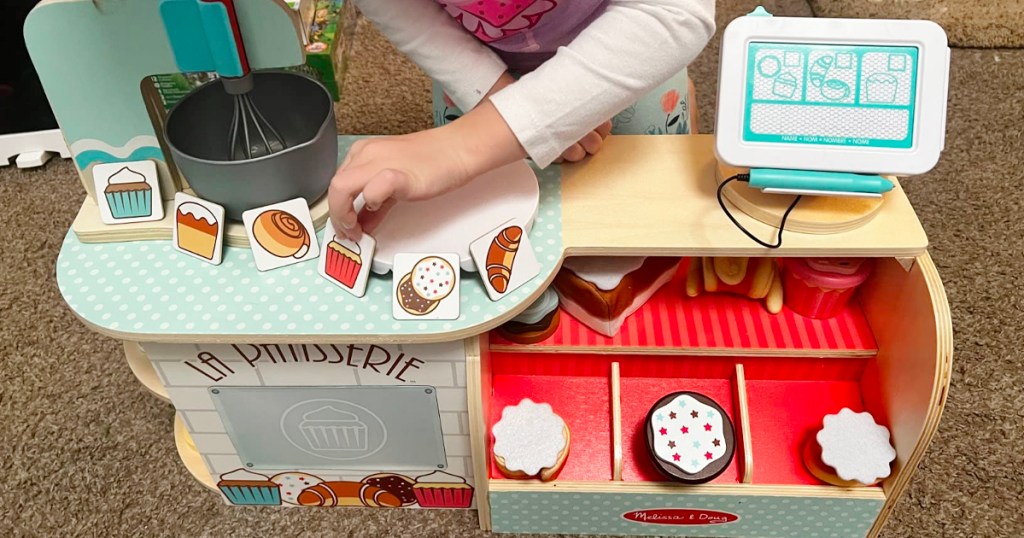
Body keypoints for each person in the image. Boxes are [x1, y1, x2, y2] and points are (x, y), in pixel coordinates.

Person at [330, 0, 716, 239]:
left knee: (645, 232)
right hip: (472, 65)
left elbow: (675, 10)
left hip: (629, 51)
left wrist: (463, 145)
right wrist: (499, 100)